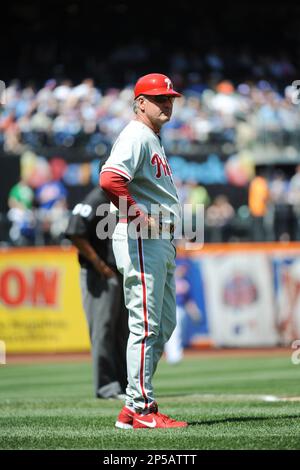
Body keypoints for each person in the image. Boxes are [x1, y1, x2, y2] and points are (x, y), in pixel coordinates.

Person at [100, 73, 188, 428]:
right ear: (140, 104)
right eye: (158, 98)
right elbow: (110, 178)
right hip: (141, 236)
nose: (167, 103)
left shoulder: (151, 137)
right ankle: (140, 409)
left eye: (169, 98)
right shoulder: (136, 134)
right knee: (147, 325)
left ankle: (132, 406)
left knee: (164, 324)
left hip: (159, 240)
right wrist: (137, 214)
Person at [65, 186, 128, 399]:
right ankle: (107, 387)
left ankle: (124, 385)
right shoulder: (96, 198)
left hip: (118, 272)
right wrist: (99, 265)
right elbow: (75, 231)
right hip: (99, 274)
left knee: (122, 331)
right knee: (103, 329)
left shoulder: (121, 198)